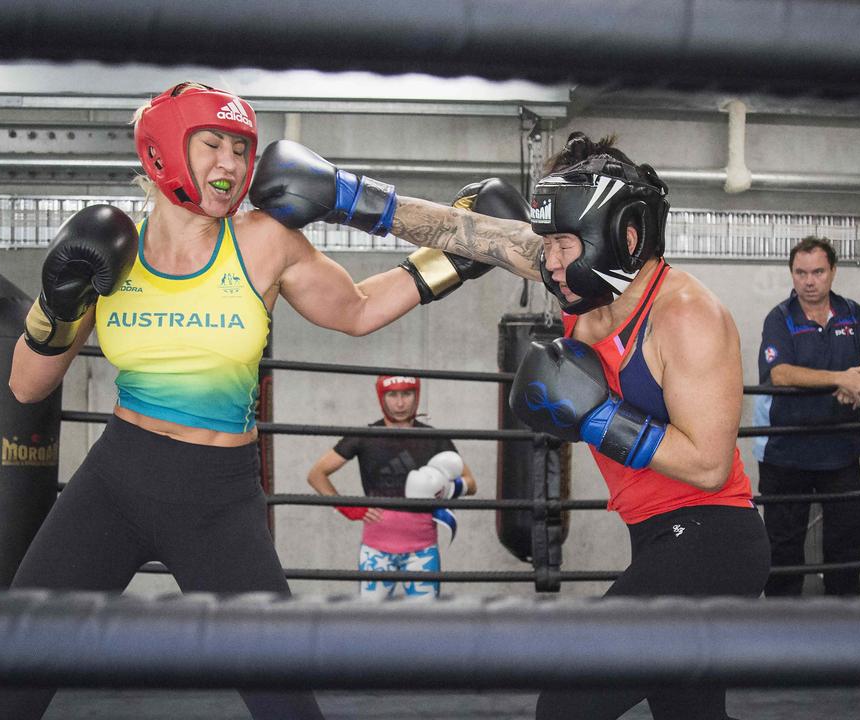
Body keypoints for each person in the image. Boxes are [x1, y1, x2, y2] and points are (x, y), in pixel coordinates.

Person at [0, 82, 505, 720]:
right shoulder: (111, 251)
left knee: (283, 698)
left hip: (218, 497)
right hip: (116, 481)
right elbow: (25, 385)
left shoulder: (261, 241)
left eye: (242, 149)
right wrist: (56, 304)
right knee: (14, 676)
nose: (232, 165)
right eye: (212, 145)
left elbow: (355, 310)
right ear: (162, 153)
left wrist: (454, 259)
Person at [253, 131, 770, 720]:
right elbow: (460, 230)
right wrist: (346, 196)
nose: (547, 263)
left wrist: (598, 417)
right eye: (545, 246)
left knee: (566, 705)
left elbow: (707, 462)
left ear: (624, 236)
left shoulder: (689, 316)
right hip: (656, 537)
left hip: (712, 543)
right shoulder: (581, 278)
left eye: (562, 245)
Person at [754, 236, 860, 597]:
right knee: (782, 548)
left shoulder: (853, 313)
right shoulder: (780, 318)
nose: (809, 281)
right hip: (787, 453)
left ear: (833, 272)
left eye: (817, 271)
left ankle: (847, 622)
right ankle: (779, 630)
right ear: (792, 274)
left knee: (847, 539)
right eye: (801, 272)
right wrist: (840, 378)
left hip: (841, 449)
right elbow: (781, 374)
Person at [307, 375, 478, 599]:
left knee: (425, 624)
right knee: (371, 623)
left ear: (416, 396)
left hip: (422, 551)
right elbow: (316, 474)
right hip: (376, 551)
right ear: (382, 397)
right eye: (392, 395)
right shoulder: (364, 436)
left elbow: (471, 483)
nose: (400, 403)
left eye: (406, 394)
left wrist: (446, 489)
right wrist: (347, 507)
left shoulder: (434, 437)